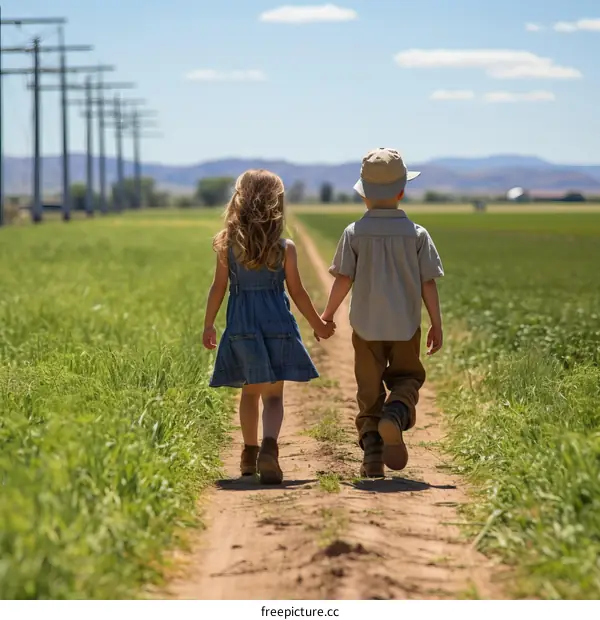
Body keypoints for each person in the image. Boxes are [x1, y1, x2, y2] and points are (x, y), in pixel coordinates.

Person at [203, 169, 335, 485]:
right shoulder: (284, 247)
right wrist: (318, 324)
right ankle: (270, 449)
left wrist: (209, 324)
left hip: (242, 325)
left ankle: (248, 455)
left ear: (240, 201)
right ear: (276, 204)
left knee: (249, 393)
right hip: (278, 325)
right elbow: (298, 292)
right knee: (274, 396)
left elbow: (217, 288)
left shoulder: (227, 245)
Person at [321, 148, 444, 478]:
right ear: (402, 191)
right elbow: (427, 283)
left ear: (363, 194)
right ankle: (397, 413)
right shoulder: (417, 235)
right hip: (405, 325)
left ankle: (373, 454)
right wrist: (436, 323)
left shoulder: (354, 233)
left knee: (369, 390)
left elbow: (343, 278)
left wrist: (328, 314)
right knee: (407, 378)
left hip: (365, 328)